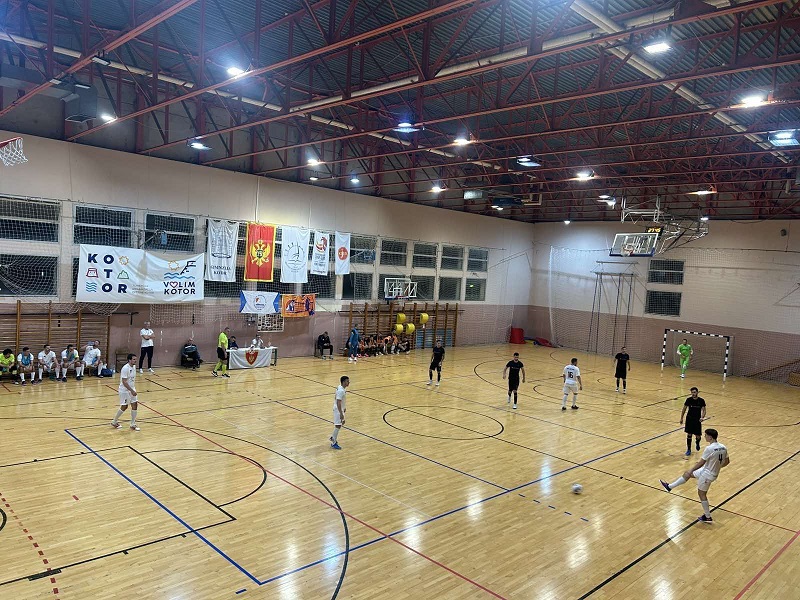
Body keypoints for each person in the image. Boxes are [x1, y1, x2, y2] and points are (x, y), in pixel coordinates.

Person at [660, 428, 729, 523]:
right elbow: (727, 462)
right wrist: (717, 467)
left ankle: (708, 517)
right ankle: (669, 487)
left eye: (706, 435)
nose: (704, 436)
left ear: (710, 437)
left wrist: (691, 469)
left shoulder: (709, 448)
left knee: (702, 494)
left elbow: (701, 462)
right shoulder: (723, 447)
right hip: (707, 471)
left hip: (707, 475)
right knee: (687, 474)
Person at [112, 353, 140, 431]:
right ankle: (114, 421)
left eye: (136, 359)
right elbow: (124, 382)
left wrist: (133, 390)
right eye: (134, 359)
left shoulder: (134, 367)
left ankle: (133, 424)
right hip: (124, 390)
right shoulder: (125, 368)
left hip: (132, 389)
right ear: (129, 360)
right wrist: (132, 391)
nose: (135, 361)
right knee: (124, 406)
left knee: (135, 404)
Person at [681, 387, 707, 456]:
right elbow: (684, 409)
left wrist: (702, 417)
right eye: (692, 392)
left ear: (697, 392)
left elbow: (704, 410)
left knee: (698, 436)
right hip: (689, 419)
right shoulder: (688, 400)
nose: (693, 394)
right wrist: (681, 418)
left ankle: (697, 442)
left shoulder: (701, 400)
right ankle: (688, 449)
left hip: (697, 420)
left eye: (694, 392)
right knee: (689, 434)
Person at [330, 375, 349, 450]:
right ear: (343, 382)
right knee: (338, 425)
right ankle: (333, 442)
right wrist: (341, 413)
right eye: (347, 381)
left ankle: (333, 437)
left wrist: (344, 408)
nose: (348, 382)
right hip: (338, 410)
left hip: (339, 409)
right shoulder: (341, 391)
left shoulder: (340, 387)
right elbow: (338, 402)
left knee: (339, 425)